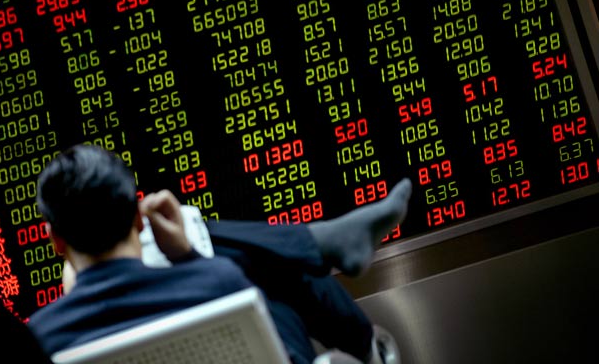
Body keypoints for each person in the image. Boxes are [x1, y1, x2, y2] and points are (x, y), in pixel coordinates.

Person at [27, 144, 412, 364]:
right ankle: (366, 341)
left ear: (55, 241)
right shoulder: (219, 282)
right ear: (139, 221)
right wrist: (189, 258)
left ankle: (327, 243)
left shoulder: (35, 341)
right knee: (273, 271)